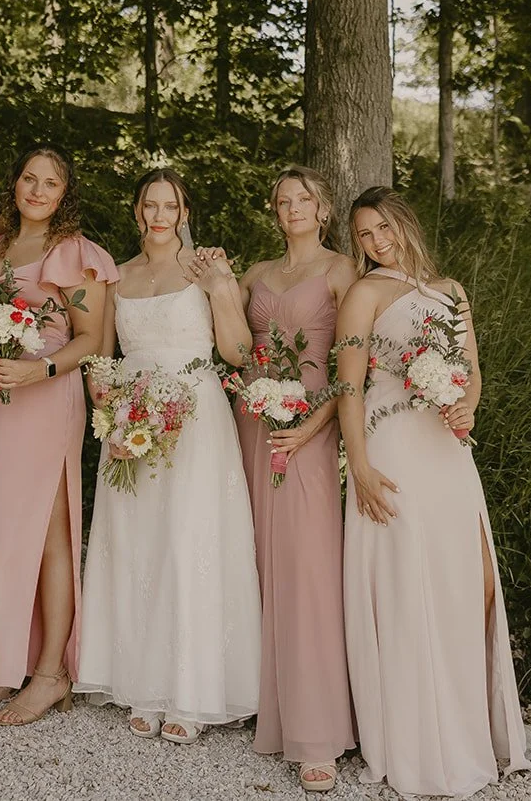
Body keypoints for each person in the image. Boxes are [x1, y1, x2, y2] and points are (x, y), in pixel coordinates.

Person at [336, 186, 531, 797]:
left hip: (446, 449)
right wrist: (359, 465)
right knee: (405, 583)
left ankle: (464, 726)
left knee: (468, 580)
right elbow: (348, 386)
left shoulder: (451, 291)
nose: (376, 242)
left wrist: (467, 406)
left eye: (383, 228)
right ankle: (415, 740)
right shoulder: (364, 294)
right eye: (364, 235)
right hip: (391, 446)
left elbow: (471, 371)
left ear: (405, 224)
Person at [76, 168, 262, 745]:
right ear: (137, 211)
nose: (160, 215)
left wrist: (222, 287)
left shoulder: (204, 268)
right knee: (138, 541)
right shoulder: (118, 275)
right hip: (131, 420)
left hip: (195, 415)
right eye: (150, 205)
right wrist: (107, 408)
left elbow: (238, 352)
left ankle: (193, 691)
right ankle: (142, 683)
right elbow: (102, 357)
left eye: (170, 206)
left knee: (188, 540)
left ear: (184, 213)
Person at [0, 146, 116, 727]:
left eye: (51, 183)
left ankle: (52, 672)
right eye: (30, 178)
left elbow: (89, 338)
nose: (38, 190)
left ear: (64, 194)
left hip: (47, 394)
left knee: (50, 532)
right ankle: (17, 659)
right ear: (15, 183)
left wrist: (39, 370)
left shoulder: (74, 253)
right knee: (4, 527)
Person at [232, 166, 357, 792]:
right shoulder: (255, 272)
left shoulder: (342, 271)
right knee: (254, 555)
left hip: (310, 420)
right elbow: (224, 337)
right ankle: (257, 699)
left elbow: (354, 366)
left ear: (322, 208)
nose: (292, 208)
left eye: (303, 198)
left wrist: (311, 428)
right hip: (252, 422)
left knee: (307, 565)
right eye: (282, 201)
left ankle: (317, 731)